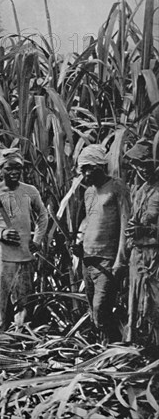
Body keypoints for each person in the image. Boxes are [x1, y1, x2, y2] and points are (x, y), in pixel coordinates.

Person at [0, 148, 48, 332]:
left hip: (25, 258)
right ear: (1, 169)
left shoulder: (30, 191)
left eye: (18, 168)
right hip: (2, 258)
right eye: (9, 168)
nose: (14, 172)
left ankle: (20, 338)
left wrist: (37, 240)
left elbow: (43, 216)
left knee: (24, 302)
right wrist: (1, 234)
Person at [76, 144, 130, 343]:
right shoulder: (89, 192)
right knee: (93, 310)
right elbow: (88, 221)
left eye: (87, 168)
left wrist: (120, 260)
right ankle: (103, 351)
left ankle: (116, 347)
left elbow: (126, 224)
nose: (84, 173)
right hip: (88, 259)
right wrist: (79, 243)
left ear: (99, 167)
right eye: (82, 169)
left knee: (101, 309)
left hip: (107, 260)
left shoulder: (117, 187)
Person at [124, 139, 159, 348]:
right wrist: (132, 233)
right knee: (137, 300)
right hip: (138, 255)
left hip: (155, 255)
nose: (142, 169)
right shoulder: (141, 190)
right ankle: (141, 346)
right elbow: (133, 219)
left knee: (154, 303)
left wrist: (148, 230)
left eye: (146, 165)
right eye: (138, 164)